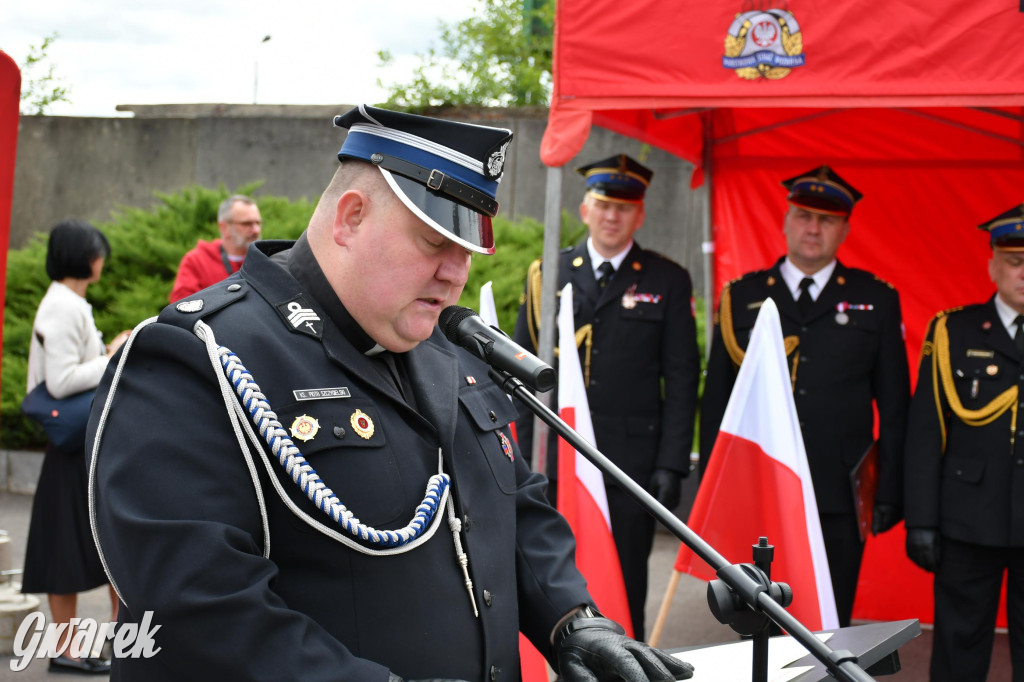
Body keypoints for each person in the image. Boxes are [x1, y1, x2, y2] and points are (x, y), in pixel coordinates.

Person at [87, 105, 693, 681]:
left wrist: (572, 620)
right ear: (350, 217)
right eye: (435, 242)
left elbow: (511, 505)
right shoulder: (195, 355)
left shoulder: (444, 347)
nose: (456, 272)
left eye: (468, 250)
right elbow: (194, 605)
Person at [699, 165, 910, 628]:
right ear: (786, 221)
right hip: (760, 484)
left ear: (845, 229)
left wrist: (890, 491)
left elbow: (895, 407)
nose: (813, 228)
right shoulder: (743, 296)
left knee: (829, 623)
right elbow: (718, 399)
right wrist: (712, 487)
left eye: (827, 219)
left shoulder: (874, 299)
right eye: (803, 215)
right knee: (757, 621)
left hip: (836, 490)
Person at [512, 153, 701, 641]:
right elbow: (516, 372)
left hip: (628, 467)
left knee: (624, 585)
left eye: (624, 206)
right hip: (553, 463)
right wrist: (517, 457)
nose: (612, 215)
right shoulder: (546, 274)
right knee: (548, 586)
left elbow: (682, 379)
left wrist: (672, 464)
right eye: (603, 204)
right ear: (584, 210)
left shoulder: (667, 280)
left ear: (640, 214)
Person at [904, 203, 1024, 680]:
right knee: (959, 645)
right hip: (968, 520)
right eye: (1015, 261)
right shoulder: (954, 330)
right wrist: (922, 522)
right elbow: (925, 429)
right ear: (993, 264)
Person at [22, 220, 129, 675]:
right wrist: (110, 356)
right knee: (77, 547)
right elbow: (61, 381)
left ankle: (100, 644)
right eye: (97, 251)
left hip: (74, 448)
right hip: (73, 450)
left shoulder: (67, 302)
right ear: (84, 257)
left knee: (79, 546)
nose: (102, 259)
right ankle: (74, 649)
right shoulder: (63, 307)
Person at [168, 194, 262, 302]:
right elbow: (182, 306)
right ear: (224, 227)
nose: (256, 230)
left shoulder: (266, 259)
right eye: (247, 224)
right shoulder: (196, 261)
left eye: (258, 223)